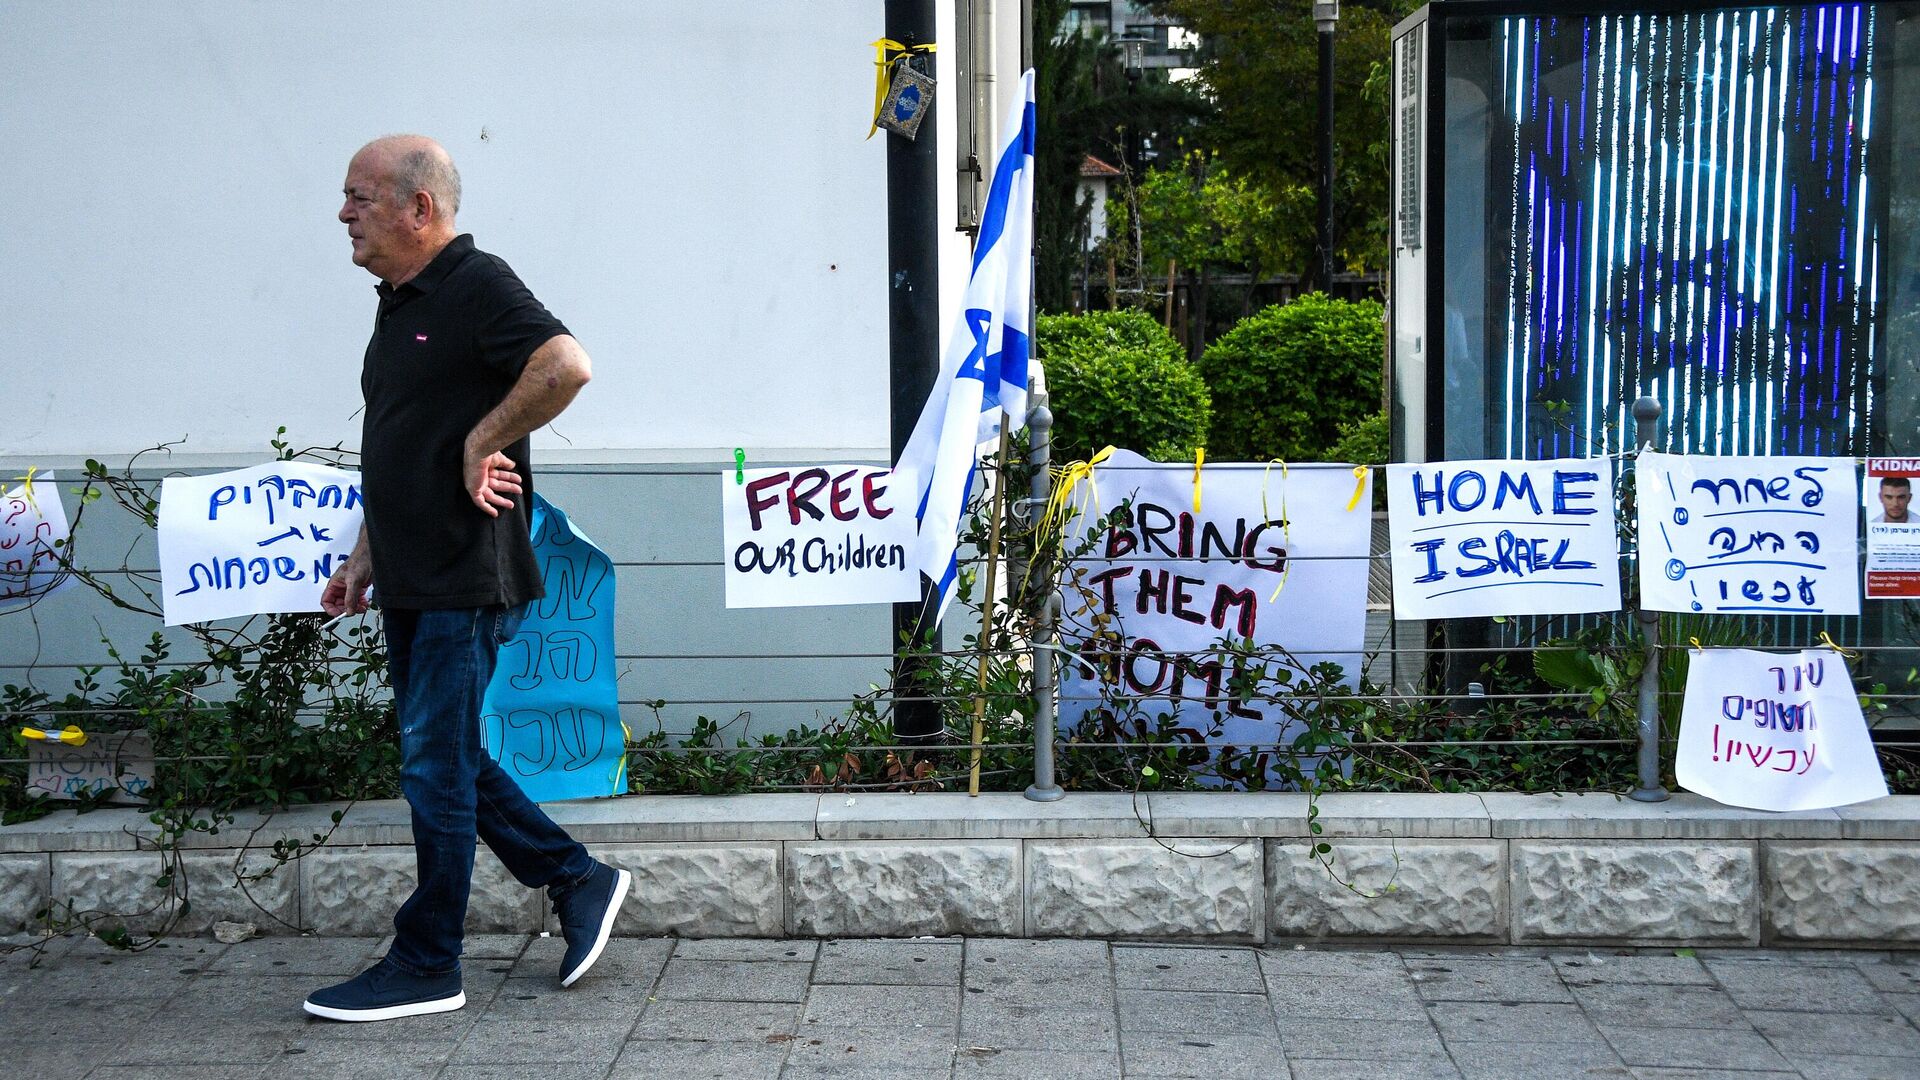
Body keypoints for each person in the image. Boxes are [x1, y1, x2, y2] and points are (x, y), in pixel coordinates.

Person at [303, 135, 630, 1022]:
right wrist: (365, 555)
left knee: (434, 764)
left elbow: (566, 364)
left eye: (360, 196)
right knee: (443, 755)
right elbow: (401, 442)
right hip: (412, 570)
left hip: (464, 569)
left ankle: (428, 961)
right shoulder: (397, 305)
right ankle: (577, 877)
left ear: (421, 208)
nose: (343, 214)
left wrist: (484, 443)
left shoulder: (477, 283)